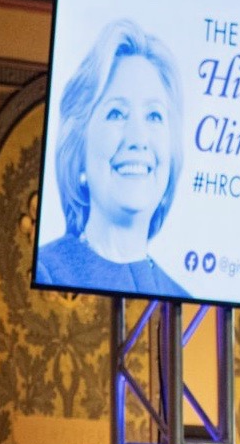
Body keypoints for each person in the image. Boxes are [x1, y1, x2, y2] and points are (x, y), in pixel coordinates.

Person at [35, 17, 189, 299]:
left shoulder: (180, 295)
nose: (138, 138)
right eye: (116, 113)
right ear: (78, 148)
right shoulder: (49, 271)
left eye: (154, 115)